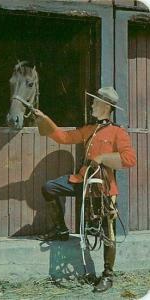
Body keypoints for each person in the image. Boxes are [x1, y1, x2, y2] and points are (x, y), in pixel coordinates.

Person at [34, 86, 136, 292]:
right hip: (81, 181)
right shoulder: (89, 129)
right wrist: (44, 119)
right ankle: (61, 228)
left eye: (95, 102)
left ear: (106, 106)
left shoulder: (118, 132)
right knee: (49, 188)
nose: (91, 105)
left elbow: (129, 159)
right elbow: (64, 137)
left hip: (102, 188)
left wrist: (102, 158)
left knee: (108, 232)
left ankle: (108, 275)